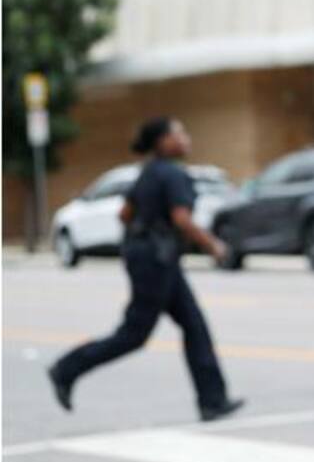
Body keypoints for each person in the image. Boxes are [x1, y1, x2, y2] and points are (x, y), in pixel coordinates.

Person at [48, 117, 245, 423]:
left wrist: (147, 231)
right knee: (134, 334)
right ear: (163, 141)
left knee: (194, 325)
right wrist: (214, 246)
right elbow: (181, 219)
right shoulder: (173, 174)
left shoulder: (148, 172)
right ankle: (66, 369)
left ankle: (213, 401)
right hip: (157, 262)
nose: (186, 138)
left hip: (150, 259)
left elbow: (125, 214)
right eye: (179, 133)